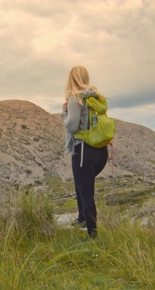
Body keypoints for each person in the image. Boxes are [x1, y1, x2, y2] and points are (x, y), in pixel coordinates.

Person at [61, 66, 108, 238]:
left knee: (86, 191)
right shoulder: (96, 98)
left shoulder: (75, 98)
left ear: (71, 79)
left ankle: (93, 236)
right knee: (81, 184)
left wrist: (64, 111)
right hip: (100, 150)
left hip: (83, 150)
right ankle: (81, 218)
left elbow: (72, 126)